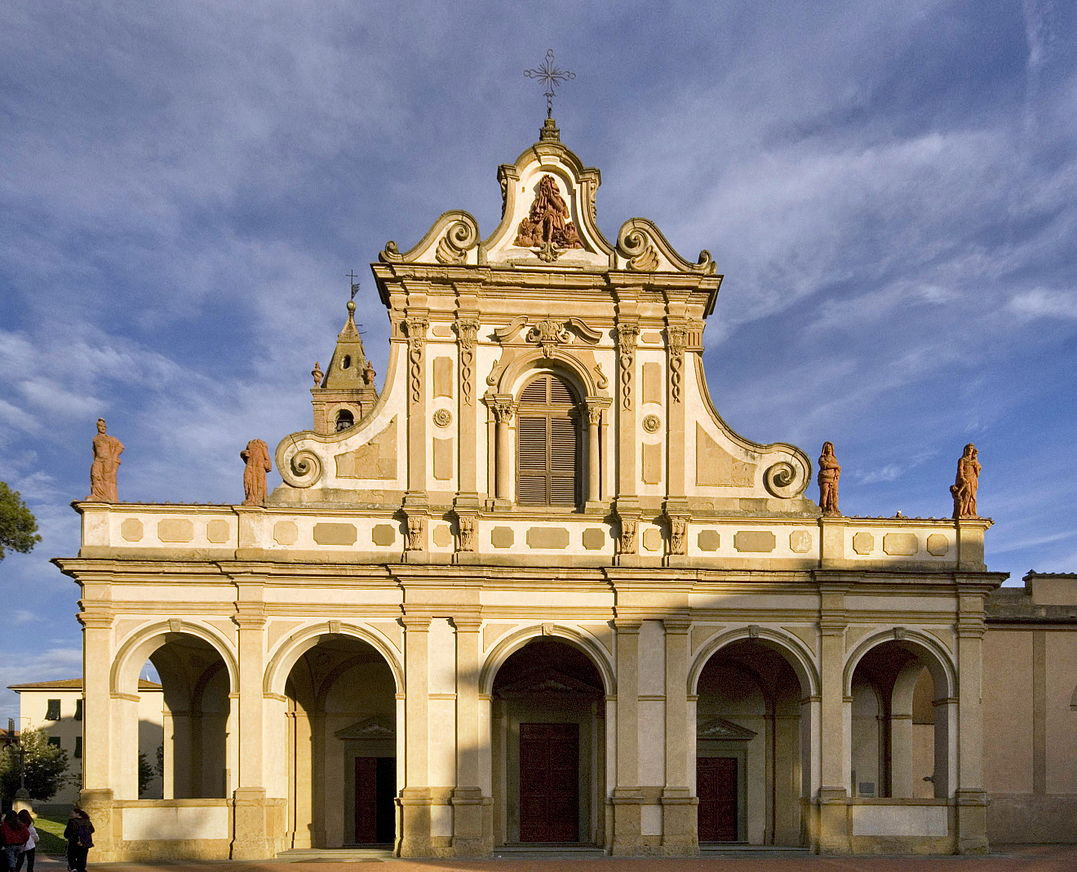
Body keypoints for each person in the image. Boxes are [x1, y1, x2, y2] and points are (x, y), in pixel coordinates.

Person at [87, 417, 124, 502]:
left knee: (107, 478)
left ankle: (108, 497)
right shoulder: (95, 439)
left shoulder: (110, 438)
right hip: (98, 460)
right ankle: (97, 495)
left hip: (108, 460)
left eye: (104, 426)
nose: (103, 428)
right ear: (98, 427)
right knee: (95, 476)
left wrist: (114, 456)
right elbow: (94, 451)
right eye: (101, 426)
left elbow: (121, 446)